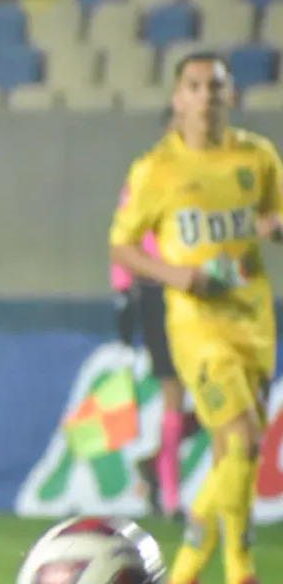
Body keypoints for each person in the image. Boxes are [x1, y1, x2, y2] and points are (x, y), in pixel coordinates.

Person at [110, 52, 280, 584]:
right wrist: (174, 275)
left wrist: (273, 225)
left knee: (236, 452)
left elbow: (275, 213)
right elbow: (121, 247)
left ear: (232, 96)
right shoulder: (155, 169)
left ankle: (199, 570)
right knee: (244, 438)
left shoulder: (258, 158)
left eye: (216, 86)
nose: (206, 95)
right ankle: (234, 569)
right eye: (194, 85)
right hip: (195, 327)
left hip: (252, 320)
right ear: (178, 98)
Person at [110, 108, 198, 521]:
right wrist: (123, 290)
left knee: (240, 395)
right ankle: (172, 498)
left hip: (204, 294)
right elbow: (124, 234)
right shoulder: (146, 174)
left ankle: (154, 462)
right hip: (158, 293)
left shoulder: (215, 174)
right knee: (173, 392)